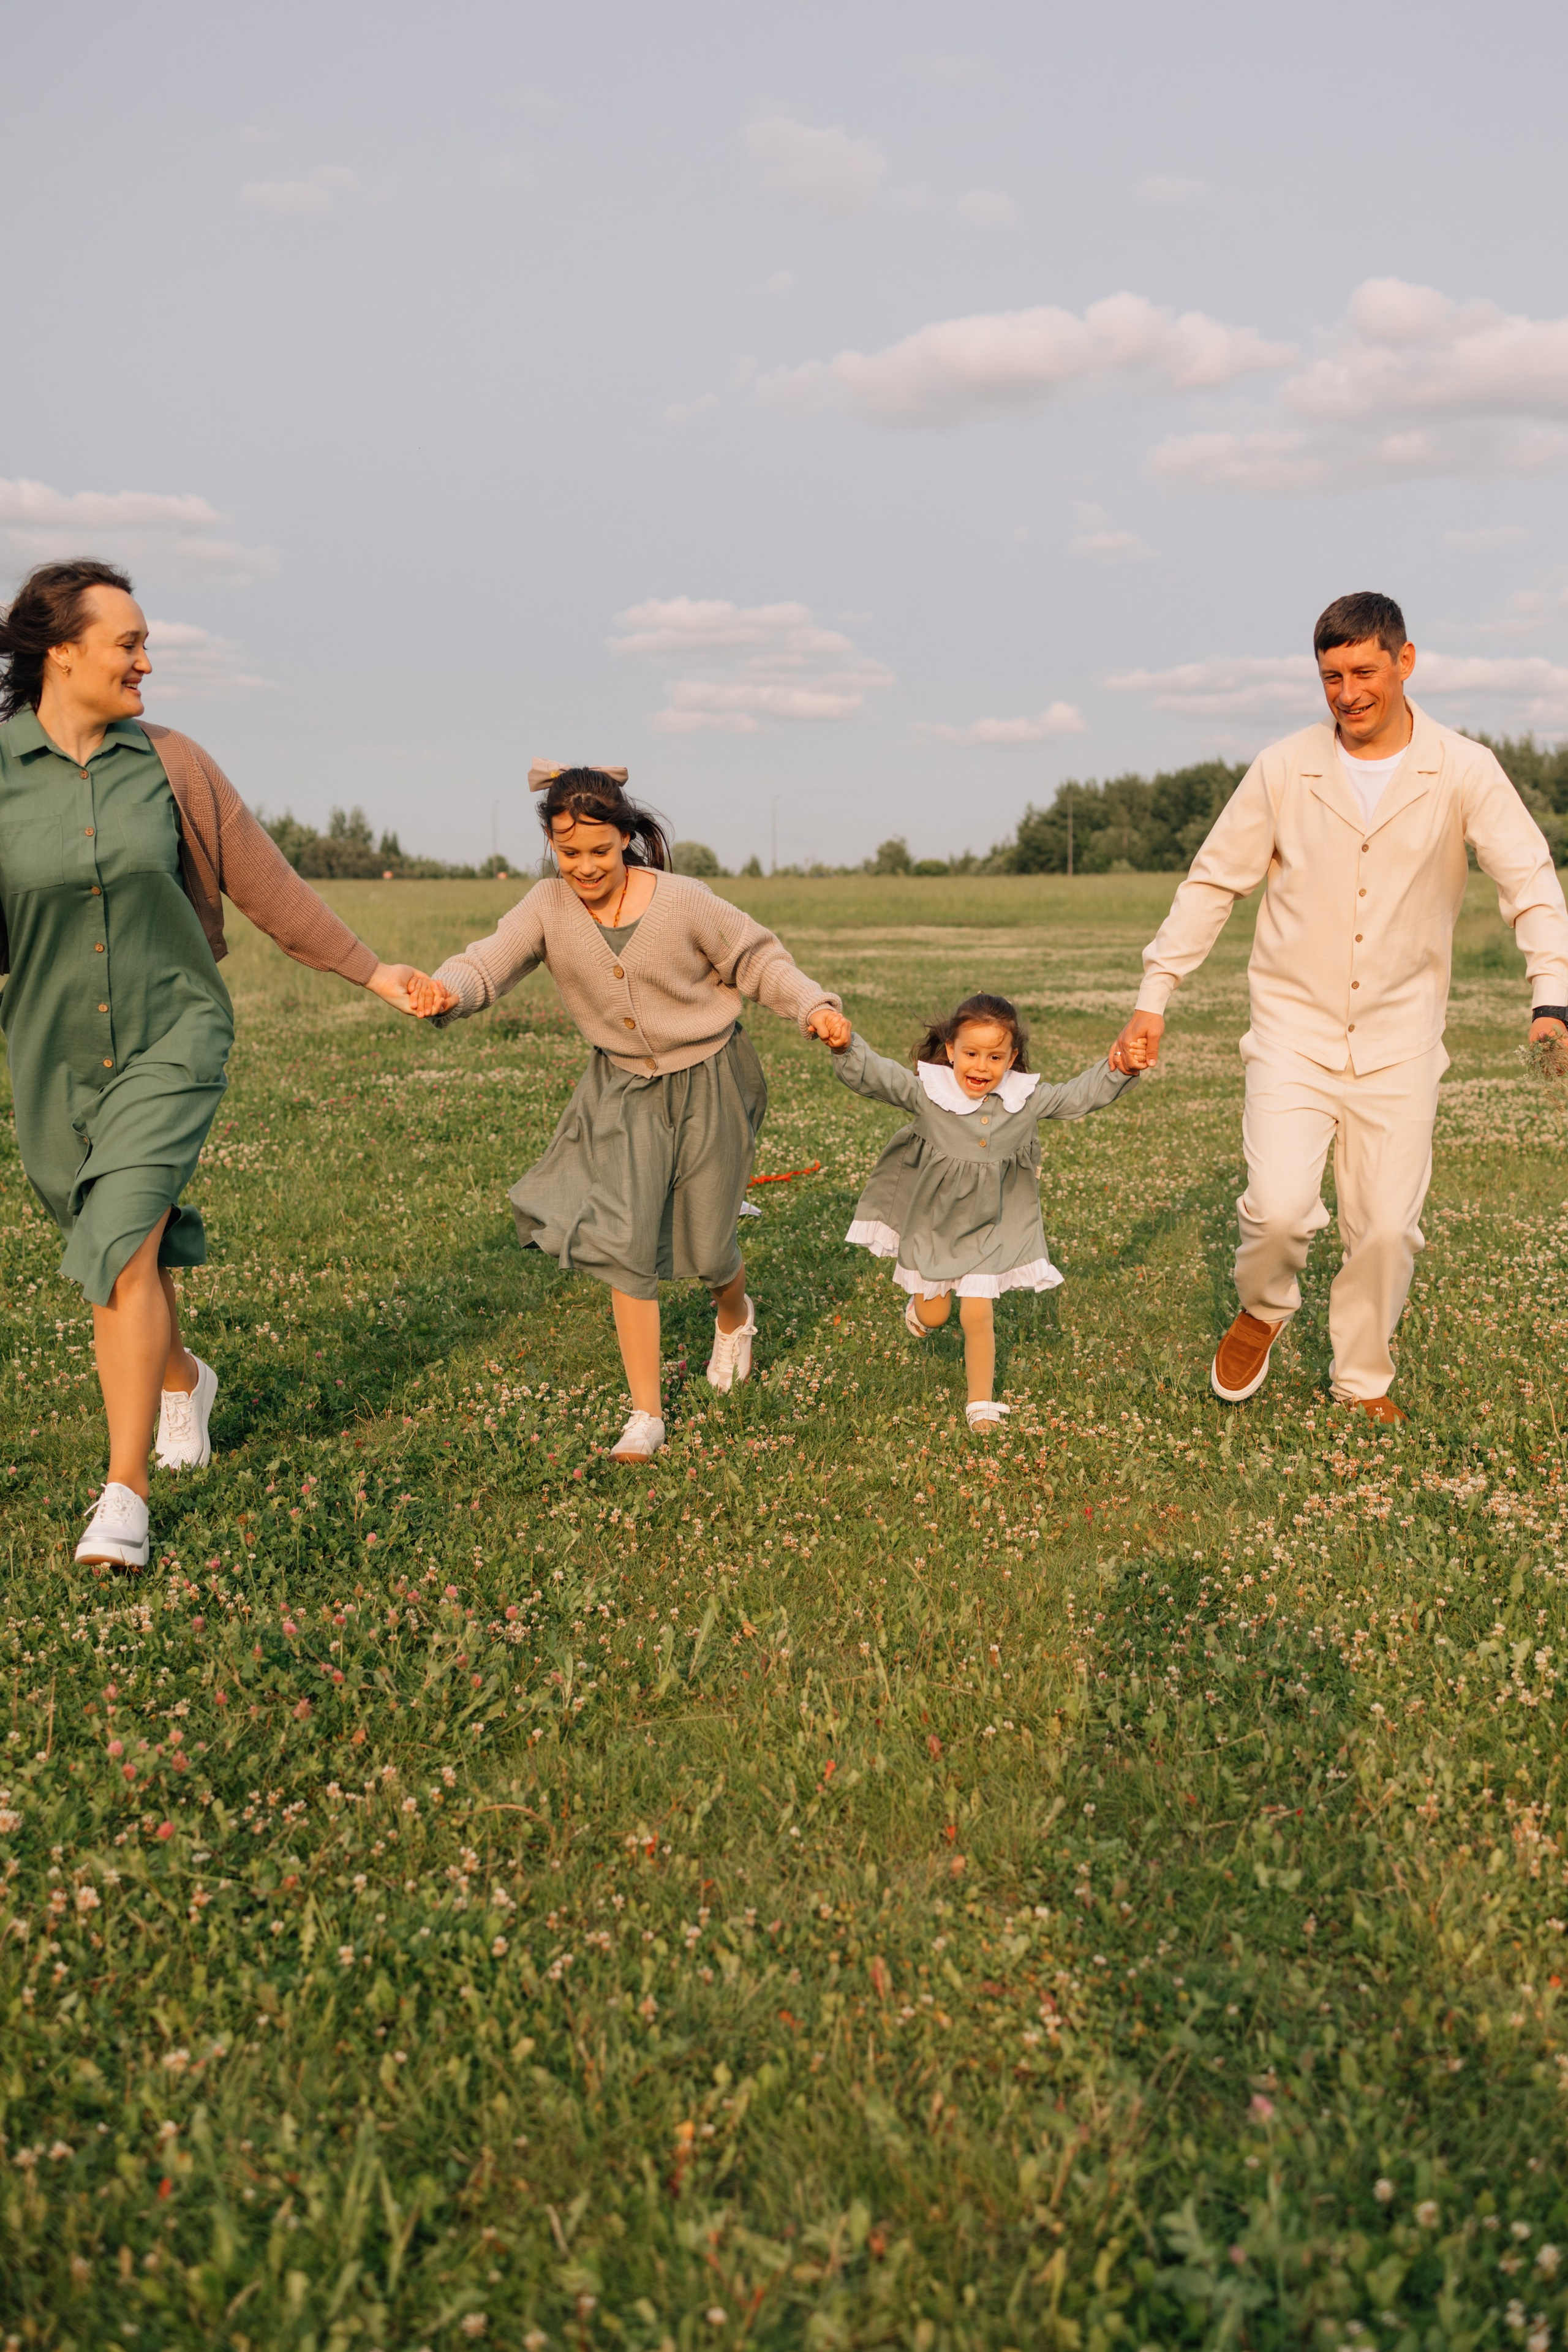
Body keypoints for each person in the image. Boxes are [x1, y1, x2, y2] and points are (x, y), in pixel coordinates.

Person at [0, 560, 436, 1569]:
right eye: (129, 643)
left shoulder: (172, 766)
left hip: (172, 1036)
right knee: (125, 1254)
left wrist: (373, 974)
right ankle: (181, 1379)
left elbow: (265, 885)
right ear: (61, 651)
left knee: (117, 1246)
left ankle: (123, 1498)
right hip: (53, 1057)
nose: (146, 662)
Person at [1110, 590, 1568, 1421]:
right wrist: (1155, 996)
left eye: (1363, 671)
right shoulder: (1285, 768)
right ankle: (1265, 1306)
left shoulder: (1464, 769)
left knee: (1386, 1230)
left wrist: (1554, 998)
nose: (1349, 692)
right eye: (1330, 677)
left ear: (1406, 660)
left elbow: (1530, 881)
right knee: (1280, 1212)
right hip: (1293, 1031)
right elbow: (1214, 882)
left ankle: (1362, 1380)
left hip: (1401, 1038)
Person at [410, 764, 842, 1461]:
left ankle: (735, 1316)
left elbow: (756, 958)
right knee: (624, 1238)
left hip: (711, 1079)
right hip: (622, 1092)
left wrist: (813, 1005)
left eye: (599, 851)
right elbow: (487, 963)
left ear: (626, 838)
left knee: (707, 1247)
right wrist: (445, 993)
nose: (583, 867)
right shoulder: (547, 907)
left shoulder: (681, 901)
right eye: (568, 852)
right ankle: (646, 1413)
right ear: (552, 844)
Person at [818, 992, 1142, 1430]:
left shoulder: (1024, 1100)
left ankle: (980, 1403)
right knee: (936, 1314)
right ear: (951, 1051)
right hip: (935, 1226)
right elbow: (879, 1077)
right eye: (970, 1053)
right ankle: (921, 1306)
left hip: (993, 1226)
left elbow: (1077, 1096)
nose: (981, 1067)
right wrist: (845, 1046)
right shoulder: (929, 1093)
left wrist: (1119, 1069)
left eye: (994, 1056)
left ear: (1012, 1059)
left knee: (978, 1311)